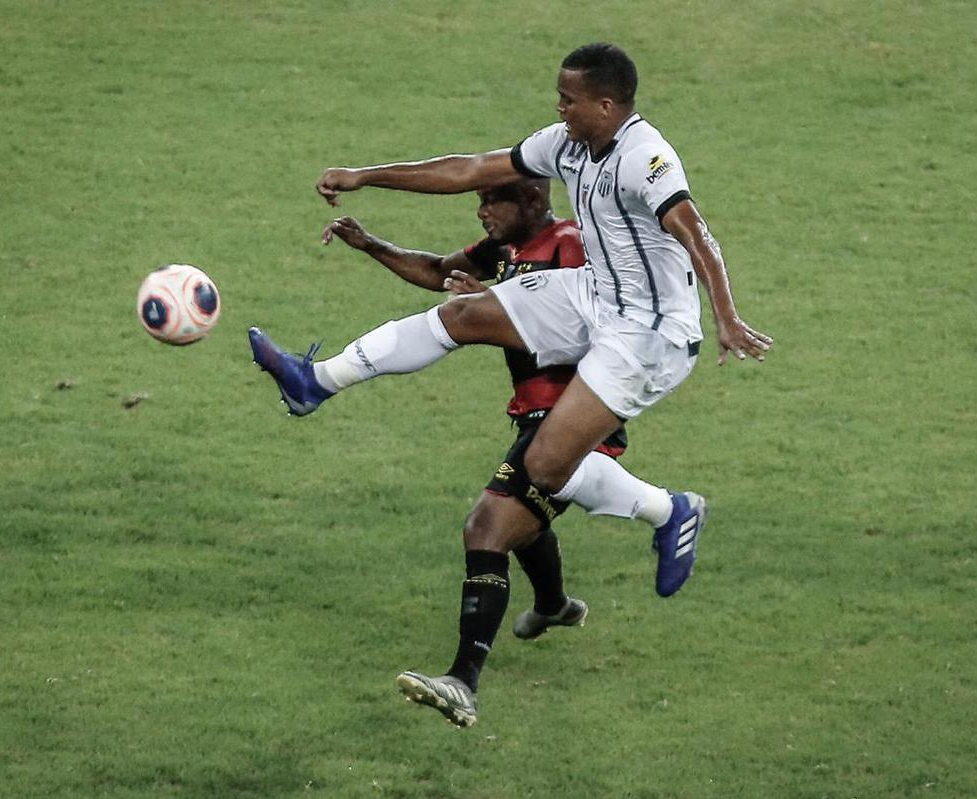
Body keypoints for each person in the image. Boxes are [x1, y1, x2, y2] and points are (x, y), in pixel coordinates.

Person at [250, 42, 771, 727]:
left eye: (569, 98)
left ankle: (671, 511)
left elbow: (696, 231)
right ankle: (314, 381)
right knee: (463, 311)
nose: (558, 107)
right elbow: (469, 168)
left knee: (546, 466)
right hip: (596, 296)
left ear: (607, 106)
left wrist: (727, 316)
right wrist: (364, 175)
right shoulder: (567, 145)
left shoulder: (649, 158)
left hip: (648, 335)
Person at [320, 178, 701, 633]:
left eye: (491, 202)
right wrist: (369, 244)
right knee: (522, 512)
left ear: (533, 201)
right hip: (535, 412)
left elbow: (583, 329)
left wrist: (485, 306)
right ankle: (553, 604)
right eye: (479, 202)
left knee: (491, 524)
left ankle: (669, 510)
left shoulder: (571, 248)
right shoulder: (505, 249)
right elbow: (437, 269)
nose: (482, 213)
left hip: (575, 412)